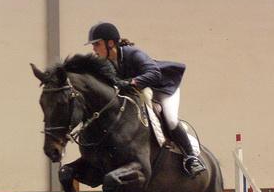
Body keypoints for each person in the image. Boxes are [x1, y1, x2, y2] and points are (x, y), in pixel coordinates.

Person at [86, 22, 206, 178]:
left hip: (163, 88)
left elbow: (154, 73)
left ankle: (191, 158)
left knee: (170, 119)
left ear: (110, 43)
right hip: (142, 91)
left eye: (97, 44)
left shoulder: (132, 53)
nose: (94, 49)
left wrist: (132, 82)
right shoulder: (105, 62)